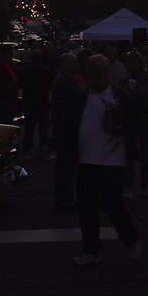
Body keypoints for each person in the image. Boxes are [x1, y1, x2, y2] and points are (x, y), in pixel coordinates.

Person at [70, 54, 144, 266]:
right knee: (87, 208)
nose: (99, 76)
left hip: (114, 161)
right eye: (94, 72)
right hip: (87, 162)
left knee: (114, 205)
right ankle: (92, 250)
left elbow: (138, 122)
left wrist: (120, 123)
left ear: (109, 72)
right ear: (88, 74)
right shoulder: (82, 97)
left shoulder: (121, 96)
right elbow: (69, 124)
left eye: (102, 71)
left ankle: (130, 239)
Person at [120, 50, 148, 198]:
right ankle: (129, 185)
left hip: (145, 119)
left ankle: (146, 185)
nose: (132, 65)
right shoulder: (124, 82)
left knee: (146, 155)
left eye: (135, 61)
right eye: (129, 62)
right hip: (130, 120)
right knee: (129, 154)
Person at [50, 52, 81, 209]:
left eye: (76, 62)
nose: (76, 65)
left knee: (68, 166)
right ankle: (63, 198)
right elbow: (65, 109)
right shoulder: (62, 83)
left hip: (68, 130)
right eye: (73, 63)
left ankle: (65, 196)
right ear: (64, 65)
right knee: (66, 166)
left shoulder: (67, 80)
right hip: (66, 131)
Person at [19, 49, 52, 158]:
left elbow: (20, 86)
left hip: (29, 103)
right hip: (43, 103)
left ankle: (27, 151)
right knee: (43, 130)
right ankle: (43, 151)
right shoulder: (46, 71)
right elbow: (50, 87)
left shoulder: (25, 72)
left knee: (29, 129)